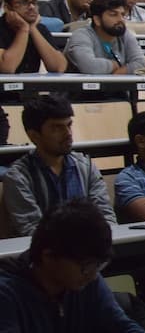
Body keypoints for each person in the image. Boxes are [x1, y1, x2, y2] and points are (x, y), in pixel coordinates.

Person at [0, 200, 145, 333]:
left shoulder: (89, 281)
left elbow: (120, 326)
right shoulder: (7, 294)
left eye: (99, 265)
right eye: (86, 266)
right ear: (48, 256)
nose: (93, 274)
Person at [2, 96, 115, 235]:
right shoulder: (18, 177)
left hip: (91, 250)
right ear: (34, 136)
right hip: (46, 253)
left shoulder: (86, 166)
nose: (68, 133)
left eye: (69, 125)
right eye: (57, 128)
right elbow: (32, 230)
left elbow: (105, 217)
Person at [65, 0, 145, 76]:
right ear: (97, 20)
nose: (121, 19)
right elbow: (89, 67)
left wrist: (117, 74)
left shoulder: (124, 33)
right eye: (113, 15)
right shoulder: (81, 35)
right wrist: (114, 65)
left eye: (122, 14)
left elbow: (141, 63)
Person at [0, 0, 67, 74]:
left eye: (34, 3)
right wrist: (23, 29)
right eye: (24, 2)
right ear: (7, 8)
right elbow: (7, 68)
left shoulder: (39, 29)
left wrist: (32, 29)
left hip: (31, 87)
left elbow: (59, 67)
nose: (31, 7)